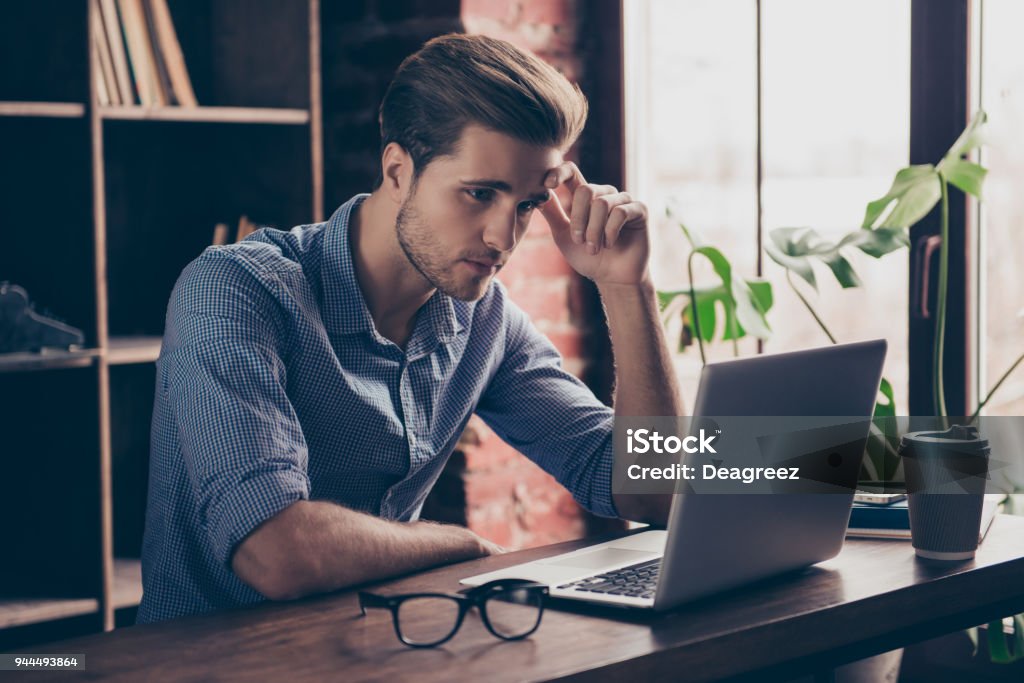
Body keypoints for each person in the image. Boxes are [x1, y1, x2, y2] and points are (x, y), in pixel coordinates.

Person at [137, 32, 681, 624]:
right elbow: (276, 552)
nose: (505, 239)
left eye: (525, 204)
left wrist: (628, 287)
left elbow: (655, 490)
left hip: (380, 648)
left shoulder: (485, 319)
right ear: (398, 170)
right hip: (209, 659)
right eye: (479, 194)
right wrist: (464, 548)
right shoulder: (238, 290)